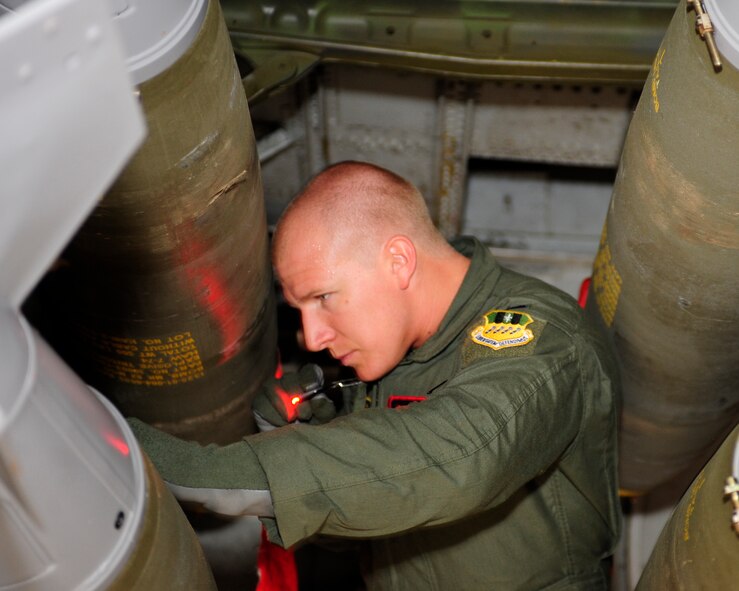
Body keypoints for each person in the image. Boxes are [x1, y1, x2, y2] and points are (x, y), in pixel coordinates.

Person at [129, 161, 621, 590]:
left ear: (398, 261)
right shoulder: (394, 363)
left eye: (322, 297)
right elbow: (384, 520)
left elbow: (461, 459)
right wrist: (315, 436)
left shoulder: (539, 338)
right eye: (299, 308)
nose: (312, 337)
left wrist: (198, 471)